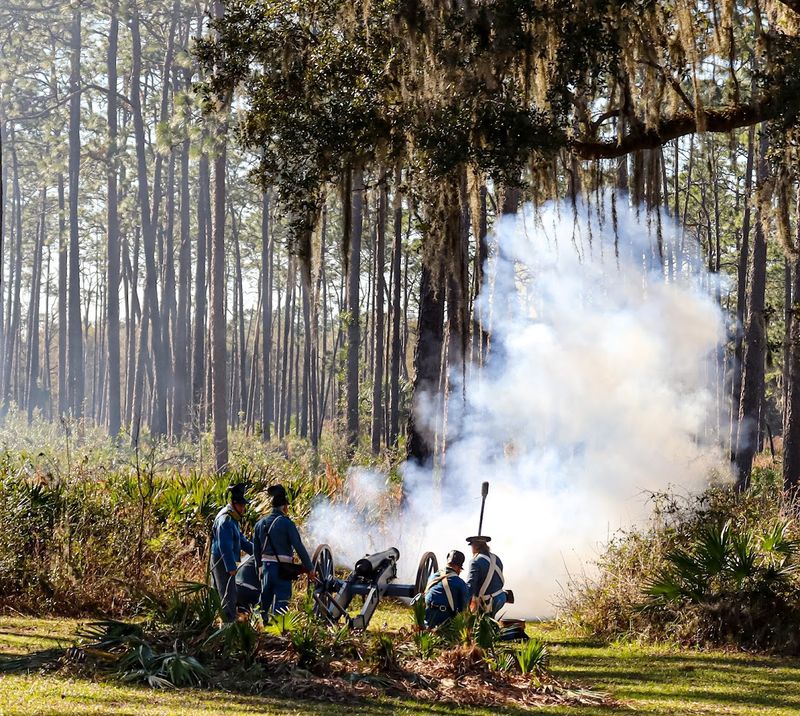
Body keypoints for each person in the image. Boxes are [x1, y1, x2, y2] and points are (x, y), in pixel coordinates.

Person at [253, 484, 316, 616]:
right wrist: (310, 567)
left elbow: (256, 549)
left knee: (263, 602)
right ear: (284, 506)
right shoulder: (287, 523)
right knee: (281, 603)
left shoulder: (260, 524)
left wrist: (259, 567)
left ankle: (259, 630)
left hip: (265, 568)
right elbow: (298, 546)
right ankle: (279, 631)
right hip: (282, 569)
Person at [210, 483, 254, 622]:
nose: (243, 508)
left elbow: (242, 541)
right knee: (228, 595)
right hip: (221, 561)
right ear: (234, 504)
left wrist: (258, 552)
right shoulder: (226, 520)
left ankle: (221, 624)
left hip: (222, 559)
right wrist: (231, 567)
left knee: (220, 594)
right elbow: (225, 546)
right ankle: (228, 627)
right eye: (241, 505)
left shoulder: (233, 518)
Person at [424, 549, 469, 628]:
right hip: (444, 623)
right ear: (459, 568)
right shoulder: (460, 583)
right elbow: (464, 608)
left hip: (427, 620)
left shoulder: (433, 576)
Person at [465, 535, 507, 617]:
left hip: (488, 602)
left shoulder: (475, 561)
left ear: (475, 547)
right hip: (501, 597)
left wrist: (463, 602)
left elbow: (471, 585)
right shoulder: (496, 558)